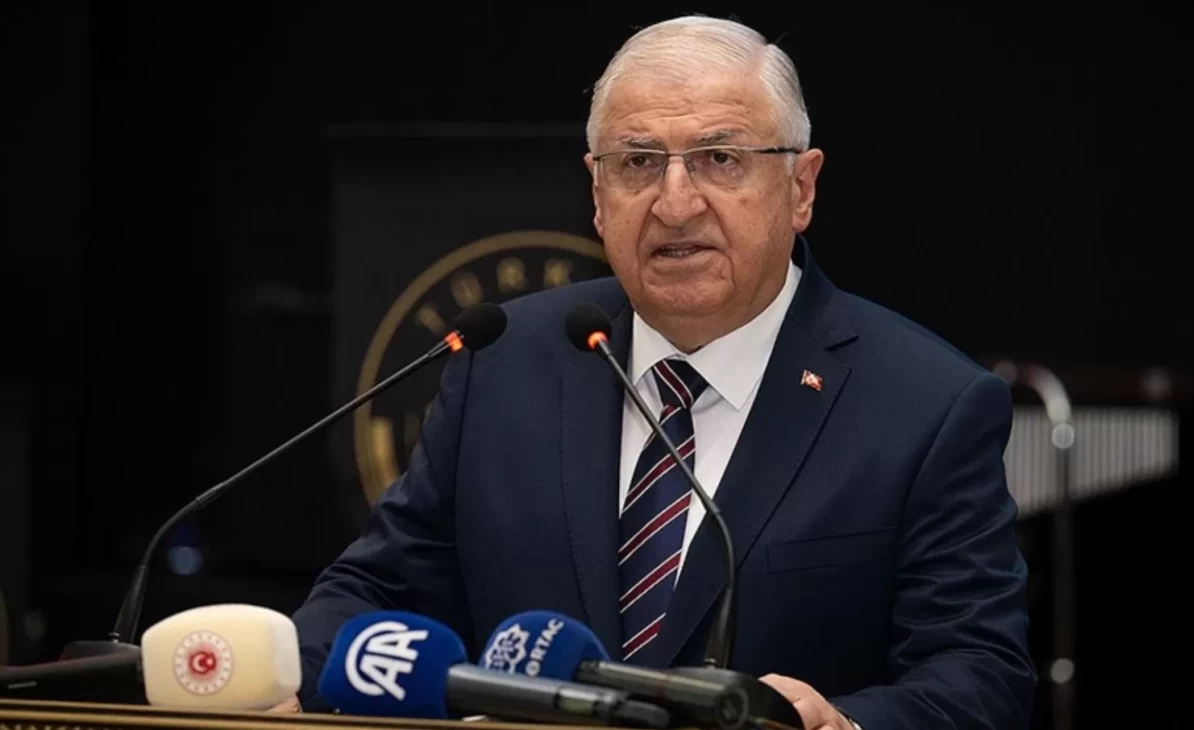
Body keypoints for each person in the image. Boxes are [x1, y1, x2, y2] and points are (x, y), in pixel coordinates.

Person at [286, 15, 1036, 730]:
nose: (675, 205)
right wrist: (280, 676)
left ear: (801, 189)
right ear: (597, 194)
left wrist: (845, 721)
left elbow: (979, 672)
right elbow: (376, 593)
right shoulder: (504, 361)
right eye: (639, 163)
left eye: (721, 158)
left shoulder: (926, 404)